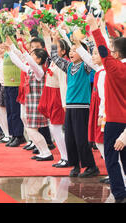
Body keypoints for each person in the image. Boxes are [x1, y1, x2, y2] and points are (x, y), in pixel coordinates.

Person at [49, 30, 99, 178]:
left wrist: (80, 44)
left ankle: (91, 166)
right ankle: (75, 165)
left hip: (82, 106)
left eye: (75, 50)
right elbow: (54, 57)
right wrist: (53, 39)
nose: (71, 53)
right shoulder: (69, 66)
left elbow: (88, 57)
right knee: (69, 138)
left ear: (82, 53)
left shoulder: (86, 66)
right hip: (70, 106)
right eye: (70, 50)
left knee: (81, 138)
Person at [88, 15, 126, 203]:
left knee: (111, 160)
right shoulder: (115, 66)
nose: (110, 53)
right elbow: (104, 49)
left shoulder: (113, 68)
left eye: (113, 51)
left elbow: (102, 48)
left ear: (117, 55)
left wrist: (95, 28)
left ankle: (119, 193)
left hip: (114, 121)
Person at [6, 38, 54, 161]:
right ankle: (43, 151)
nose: (30, 57)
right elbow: (20, 63)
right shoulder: (31, 70)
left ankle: (46, 152)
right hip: (31, 104)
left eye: (33, 55)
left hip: (37, 104)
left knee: (31, 130)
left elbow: (30, 63)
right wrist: (10, 51)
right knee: (31, 129)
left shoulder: (40, 71)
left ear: (38, 59)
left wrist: (23, 50)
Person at [40, 24, 70, 167]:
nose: (52, 49)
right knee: (53, 128)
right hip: (50, 94)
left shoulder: (62, 65)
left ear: (63, 51)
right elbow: (49, 49)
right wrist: (47, 35)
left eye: (56, 47)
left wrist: (64, 103)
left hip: (58, 97)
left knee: (56, 128)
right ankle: (64, 156)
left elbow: (64, 85)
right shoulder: (54, 62)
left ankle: (66, 156)